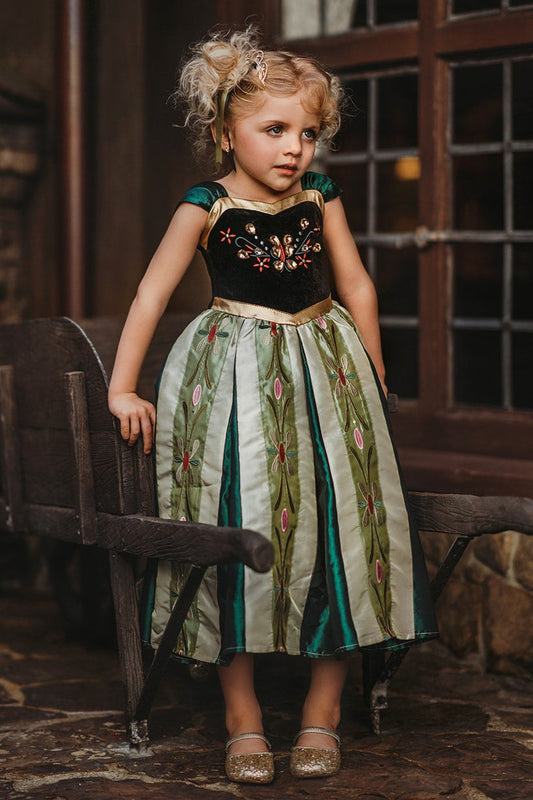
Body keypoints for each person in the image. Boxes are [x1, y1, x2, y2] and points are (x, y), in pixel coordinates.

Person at [108, 26, 437, 785]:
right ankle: (243, 714)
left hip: (327, 367)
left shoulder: (320, 198)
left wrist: (373, 374)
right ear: (226, 132)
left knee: (337, 525)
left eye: (308, 133)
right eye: (274, 129)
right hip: (230, 377)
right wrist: (123, 387)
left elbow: (354, 286)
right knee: (236, 522)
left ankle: (324, 709)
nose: (294, 148)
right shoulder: (207, 204)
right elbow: (151, 294)